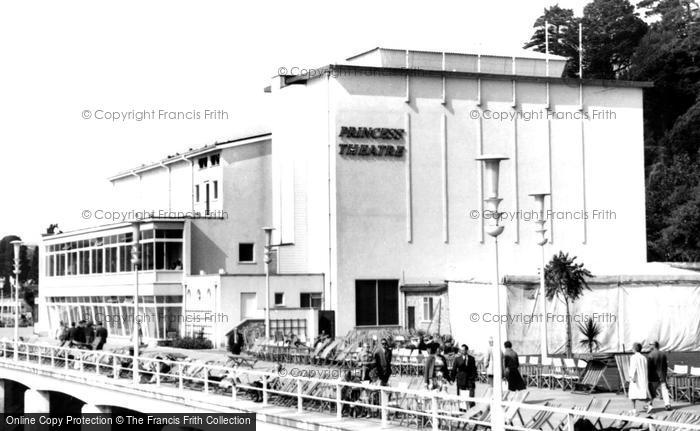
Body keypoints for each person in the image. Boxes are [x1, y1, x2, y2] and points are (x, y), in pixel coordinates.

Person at [646, 341, 672, 412]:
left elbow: (649, 368)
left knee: (652, 391)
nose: (649, 346)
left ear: (653, 346)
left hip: (653, 376)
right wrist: (665, 375)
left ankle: (650, 405)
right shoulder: (663, 354)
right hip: (662, 375)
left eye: (650, 345)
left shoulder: (650, 355)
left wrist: (648, 377)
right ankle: (667, 404)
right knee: (664, 390)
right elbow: (665, 366)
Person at [628, 342, 650, 413]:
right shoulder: (644, 358)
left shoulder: (633, 357)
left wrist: (632, 377)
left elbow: (633, 368)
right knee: (643, 393)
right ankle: (648, 405)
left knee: (632, 394)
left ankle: (634, 409)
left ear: (634, 349)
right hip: (643, 377)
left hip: (636, 378)